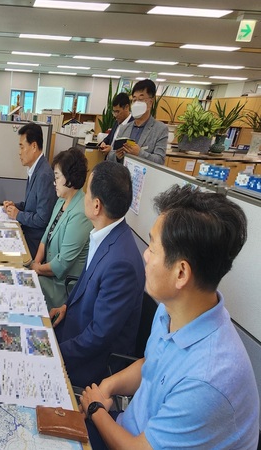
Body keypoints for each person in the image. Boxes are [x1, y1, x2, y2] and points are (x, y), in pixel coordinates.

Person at [80, 185, 259, 450]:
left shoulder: (208, 380)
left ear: (181, 274)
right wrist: (108, 385)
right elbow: (153, 365)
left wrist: (96, 409)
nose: (145, 254)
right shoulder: (172, 309)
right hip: (127, 426)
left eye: (153, 247)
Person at [50, 161, 145, 388]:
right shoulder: (105, 235)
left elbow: (99, 337)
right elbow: (86, 284)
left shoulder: (121, 264)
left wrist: (54, 352)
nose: (82, 195)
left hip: (92, 364)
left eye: (87, 192)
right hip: (73, 332)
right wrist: (66, 307)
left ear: (96, 206)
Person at [31, 148, 92, 310]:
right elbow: (45, 237)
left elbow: (62, 263)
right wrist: (36, 262)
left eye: (57, 177)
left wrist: (37, 269)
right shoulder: (61, 200)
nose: (54, 182)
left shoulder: (81, 213)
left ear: (70, 178)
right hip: (47, 273)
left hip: (61, 286)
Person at [3, 122, 57, 258]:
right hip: (27, 234)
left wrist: (17, 215)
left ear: (33, 146)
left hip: (34, 243)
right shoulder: (35, 169)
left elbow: (42, 219)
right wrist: (14, 206)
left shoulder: (44, 174)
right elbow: (31, 206)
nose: (19, 152)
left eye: (22, 147)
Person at [107, 79, 168, 165]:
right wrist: (117, 156)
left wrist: (139, 153)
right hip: (122, 175)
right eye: (134, 100)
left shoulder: (160, 129)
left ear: (150, 102)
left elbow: (160, 160)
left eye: (141, 99)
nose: (136, 104)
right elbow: (111, 155)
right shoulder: (124, 128)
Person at [98, 92, 132, 158]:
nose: (115, 115)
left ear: (127, 108)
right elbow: (109, 138)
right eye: (114, 112)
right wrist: (103, 143)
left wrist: (111, 150)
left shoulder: (133, 125)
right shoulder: (116, 122)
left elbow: (126, 150)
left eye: (117, 111)